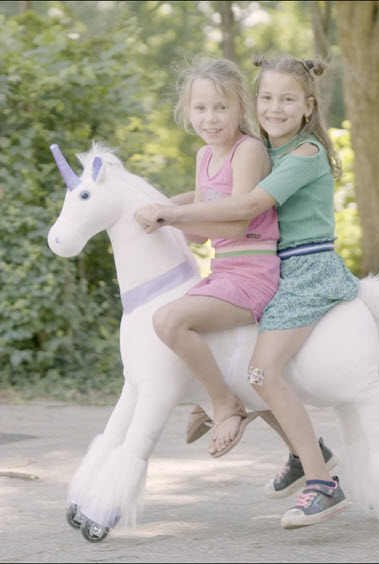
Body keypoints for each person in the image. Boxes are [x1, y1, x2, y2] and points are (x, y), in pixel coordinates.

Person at [136, 54, 358, 529]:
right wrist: (149, 206)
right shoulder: (265, 152)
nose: (274, 108)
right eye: (268, 98)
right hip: (267, 266)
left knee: (261, 371)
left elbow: (246, 208)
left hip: (305, 270)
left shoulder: (300, 154)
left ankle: (322, 483)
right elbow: (210, 202)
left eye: (287, 99)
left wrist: (170, 213)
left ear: (308, 106)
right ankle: (299, 449)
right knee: (246, 365)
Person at [133, 56, 277, 459]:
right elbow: (199, 226)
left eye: (221, 107)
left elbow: (234, 222)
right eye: (200, 108)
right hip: (223, 272)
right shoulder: (203, 157)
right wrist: (154, 210)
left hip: (254, 274)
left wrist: (171, 213)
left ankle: (223, 402)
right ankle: (205, 396)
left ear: (241, 109)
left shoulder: (247, 151)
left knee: (168, 319)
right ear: (187, 111)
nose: (210, 118)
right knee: (165, 317)